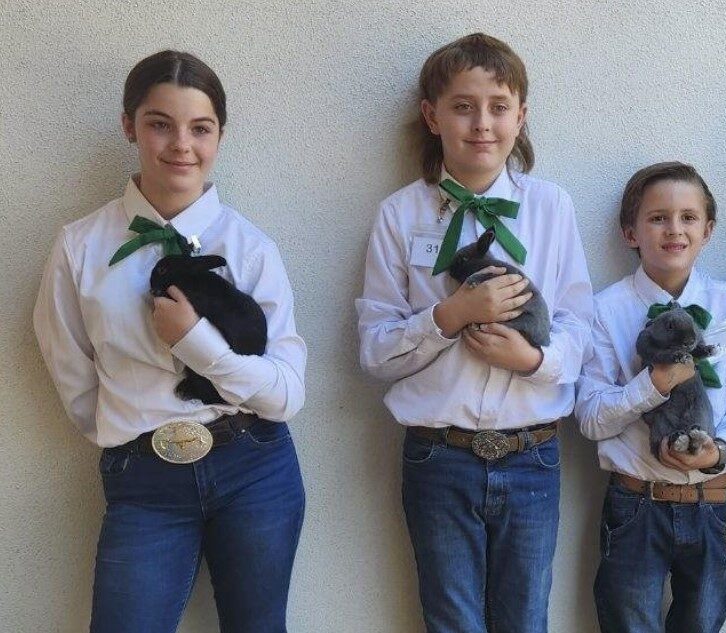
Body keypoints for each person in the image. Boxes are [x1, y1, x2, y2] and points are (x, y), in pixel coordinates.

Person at [33, 50, 307, 633]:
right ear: (129, 125)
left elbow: (285, 396)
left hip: (254, 469)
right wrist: (132, 433)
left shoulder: (251, 248)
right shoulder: (80, 246)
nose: (182, 144)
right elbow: (72, 371)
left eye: (200, 128)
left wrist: (200, 345)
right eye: (161, 123)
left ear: (219, 136)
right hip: (144, 479)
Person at [356, 32, 592, 633]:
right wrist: (449, 317)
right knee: (451, 620)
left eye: (498, 106)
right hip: (439, 457)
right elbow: (376, 351)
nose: (481, 123)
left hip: (532, 453)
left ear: (521, 116)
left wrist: (534, 360)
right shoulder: (400, 214)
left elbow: (576, 322)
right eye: (462, 106)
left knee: (525, 620)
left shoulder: (552, 207)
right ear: (433, 117)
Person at [575, 161, 726, 633]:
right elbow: (592, 418)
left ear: (709, 229)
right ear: (630, 232)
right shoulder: (604, 310)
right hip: (636, 501)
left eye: (688, 217)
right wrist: (653, 385)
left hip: (712, 501)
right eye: (657, 218)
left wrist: (719, 451)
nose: (673, 229)